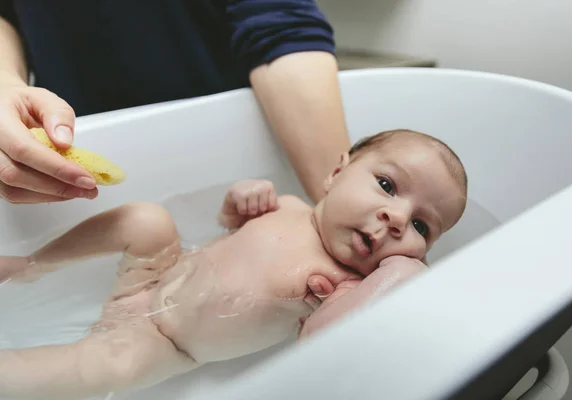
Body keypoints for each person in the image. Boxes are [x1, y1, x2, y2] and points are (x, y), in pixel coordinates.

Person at [0, 129, 468, 400]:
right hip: (161, 273)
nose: (397, 218)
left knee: (105, 366)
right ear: (336, 173)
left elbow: (327, 342)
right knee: (147, 219)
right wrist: (238, 201)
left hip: (167, 342)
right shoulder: (285, 203)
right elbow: (227, 226)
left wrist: (400, 277)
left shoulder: (339, 288)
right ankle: (30, 264)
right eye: (387, 185)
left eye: (423, 228)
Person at [0, 0, 350, 205]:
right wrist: (6, 86)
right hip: (71, 157)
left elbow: (278, 23)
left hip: (237, 146)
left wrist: (339, 207)